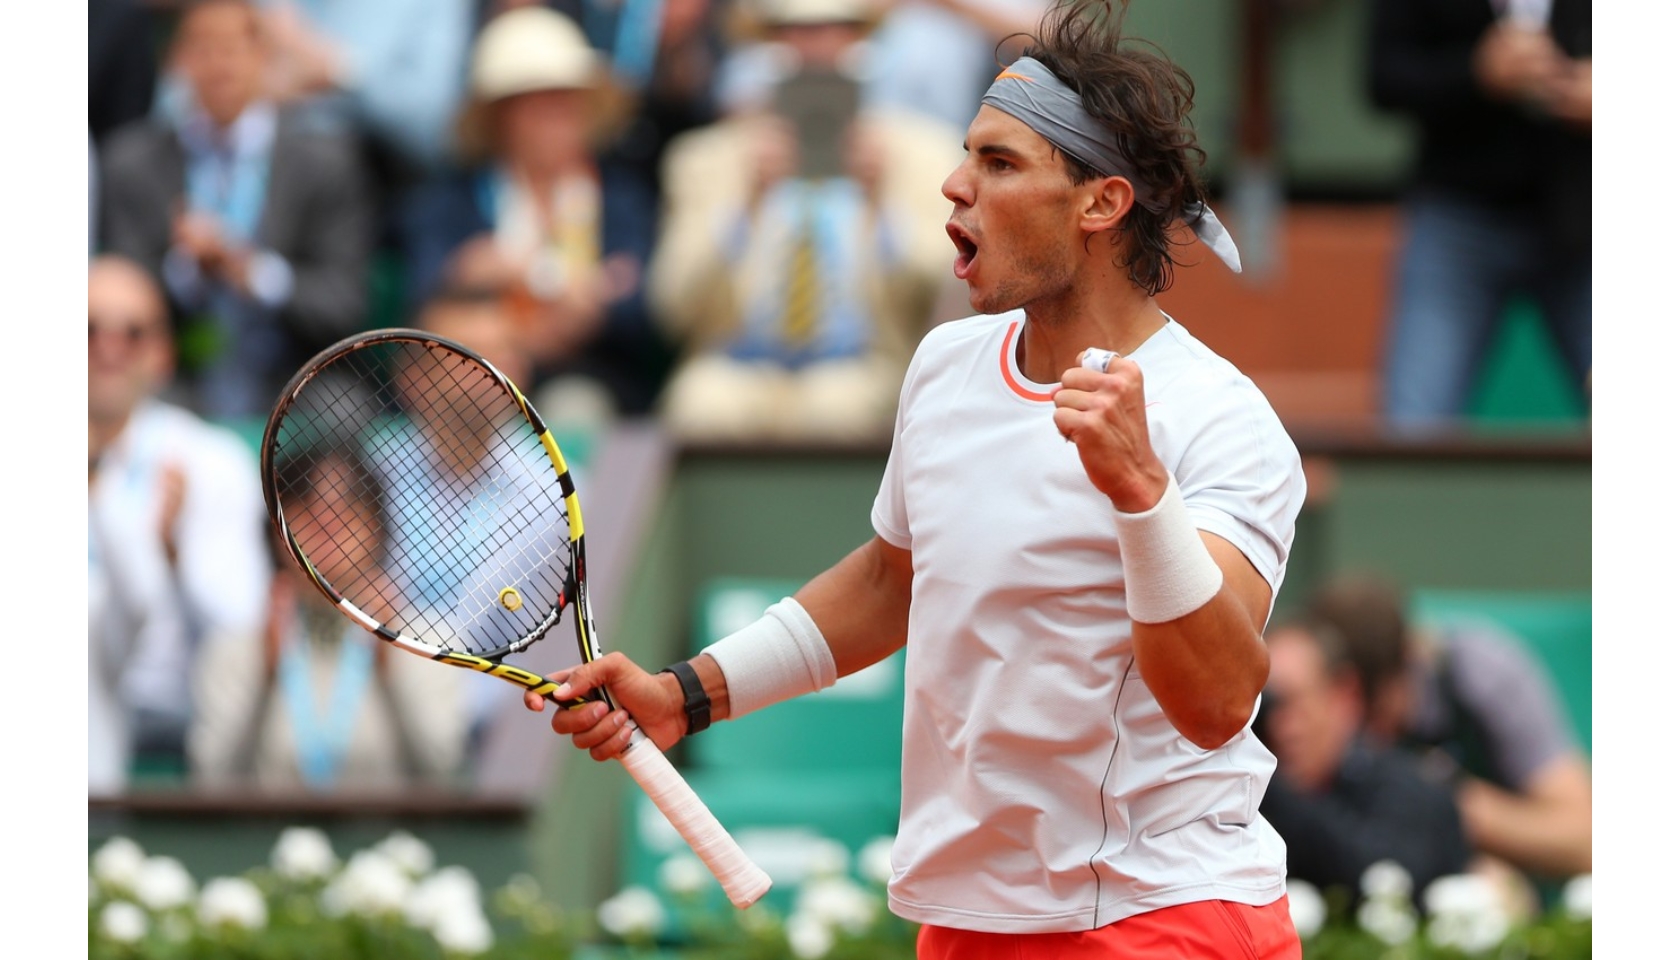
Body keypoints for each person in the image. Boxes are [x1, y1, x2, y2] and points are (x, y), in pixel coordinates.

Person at [529, 2, 1307, 955]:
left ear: (1100, 203)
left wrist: (1141, 497)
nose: (952, 185)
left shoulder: (1222, 419)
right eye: (965, 154)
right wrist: (686, 695)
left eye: (999, 162)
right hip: (971, 917)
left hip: (1164, 915)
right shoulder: (946, 366)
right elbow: (893, 579)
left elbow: (1219, 702)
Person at [647, 0, 961, 443]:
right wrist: (746, 203)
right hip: (736, 364)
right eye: (795, 32)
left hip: (860, 366)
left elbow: (947, 289)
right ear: (768, 44)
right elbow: (672, 303)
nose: (816, 48)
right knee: (703, 404)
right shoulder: (707, 158)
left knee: (836, 409)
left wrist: (882, 203)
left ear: (861, 40)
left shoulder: (922, 152)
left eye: (834, 29)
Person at [98, 0, 373, 420]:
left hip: (293, 377)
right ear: (178, 62)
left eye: (233, 47)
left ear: (264, 56)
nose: (219, 65)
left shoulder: (323, 162)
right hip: (179, 377)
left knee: (342, 413)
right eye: (203, 48)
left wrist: (253, 273)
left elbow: (342, 303)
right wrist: (187, 268)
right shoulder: (133, 164)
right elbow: (124, 292)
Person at [398, 4, 669, 426]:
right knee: (468, 392)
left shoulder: (621, 199)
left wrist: (592, 313)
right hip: (480, 381)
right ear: (500, 119)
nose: (556, 121)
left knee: (574, 406)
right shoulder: (450, 202)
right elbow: (423, 297)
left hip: (591, 380)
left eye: (566, 104)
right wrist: (473, 278)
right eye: (536, 106)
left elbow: (644, 307)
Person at [89, 255, 273, 794]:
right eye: (88, 330)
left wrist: (177, 556)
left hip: (182, 716)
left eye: (132, 332)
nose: (108, 348)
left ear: (163, 353)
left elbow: (243, 623)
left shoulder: (210, 460)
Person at [189, 448, 471, 792]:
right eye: (307, 512)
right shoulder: (233, 650)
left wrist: (390, 667)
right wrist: (266, 675)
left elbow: (443, 775)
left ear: (377, 532)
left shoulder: (429, 644)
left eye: (348, 512)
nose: (327, 528)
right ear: (276, 536)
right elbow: (211, 783)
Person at [1367, 0, 1590, 428]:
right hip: (1457, 220)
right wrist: (1475, 72)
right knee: (1411, 432)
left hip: (1590, 224)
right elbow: (1384, 76)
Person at [1307, 574, 1592, 883]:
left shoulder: (1482, 673)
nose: (1372, 739)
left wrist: (1451, 808)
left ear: (1410, 654)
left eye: (1376, 713)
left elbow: (1584, 840)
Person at [1256, 617, 1472, 907]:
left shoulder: (1412, 789)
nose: (1279, 727)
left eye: (1291, 702)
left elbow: (1383, 880)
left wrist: (1266, 783)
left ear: (1345, 695)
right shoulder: (1245, 804)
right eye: (1263, 707)